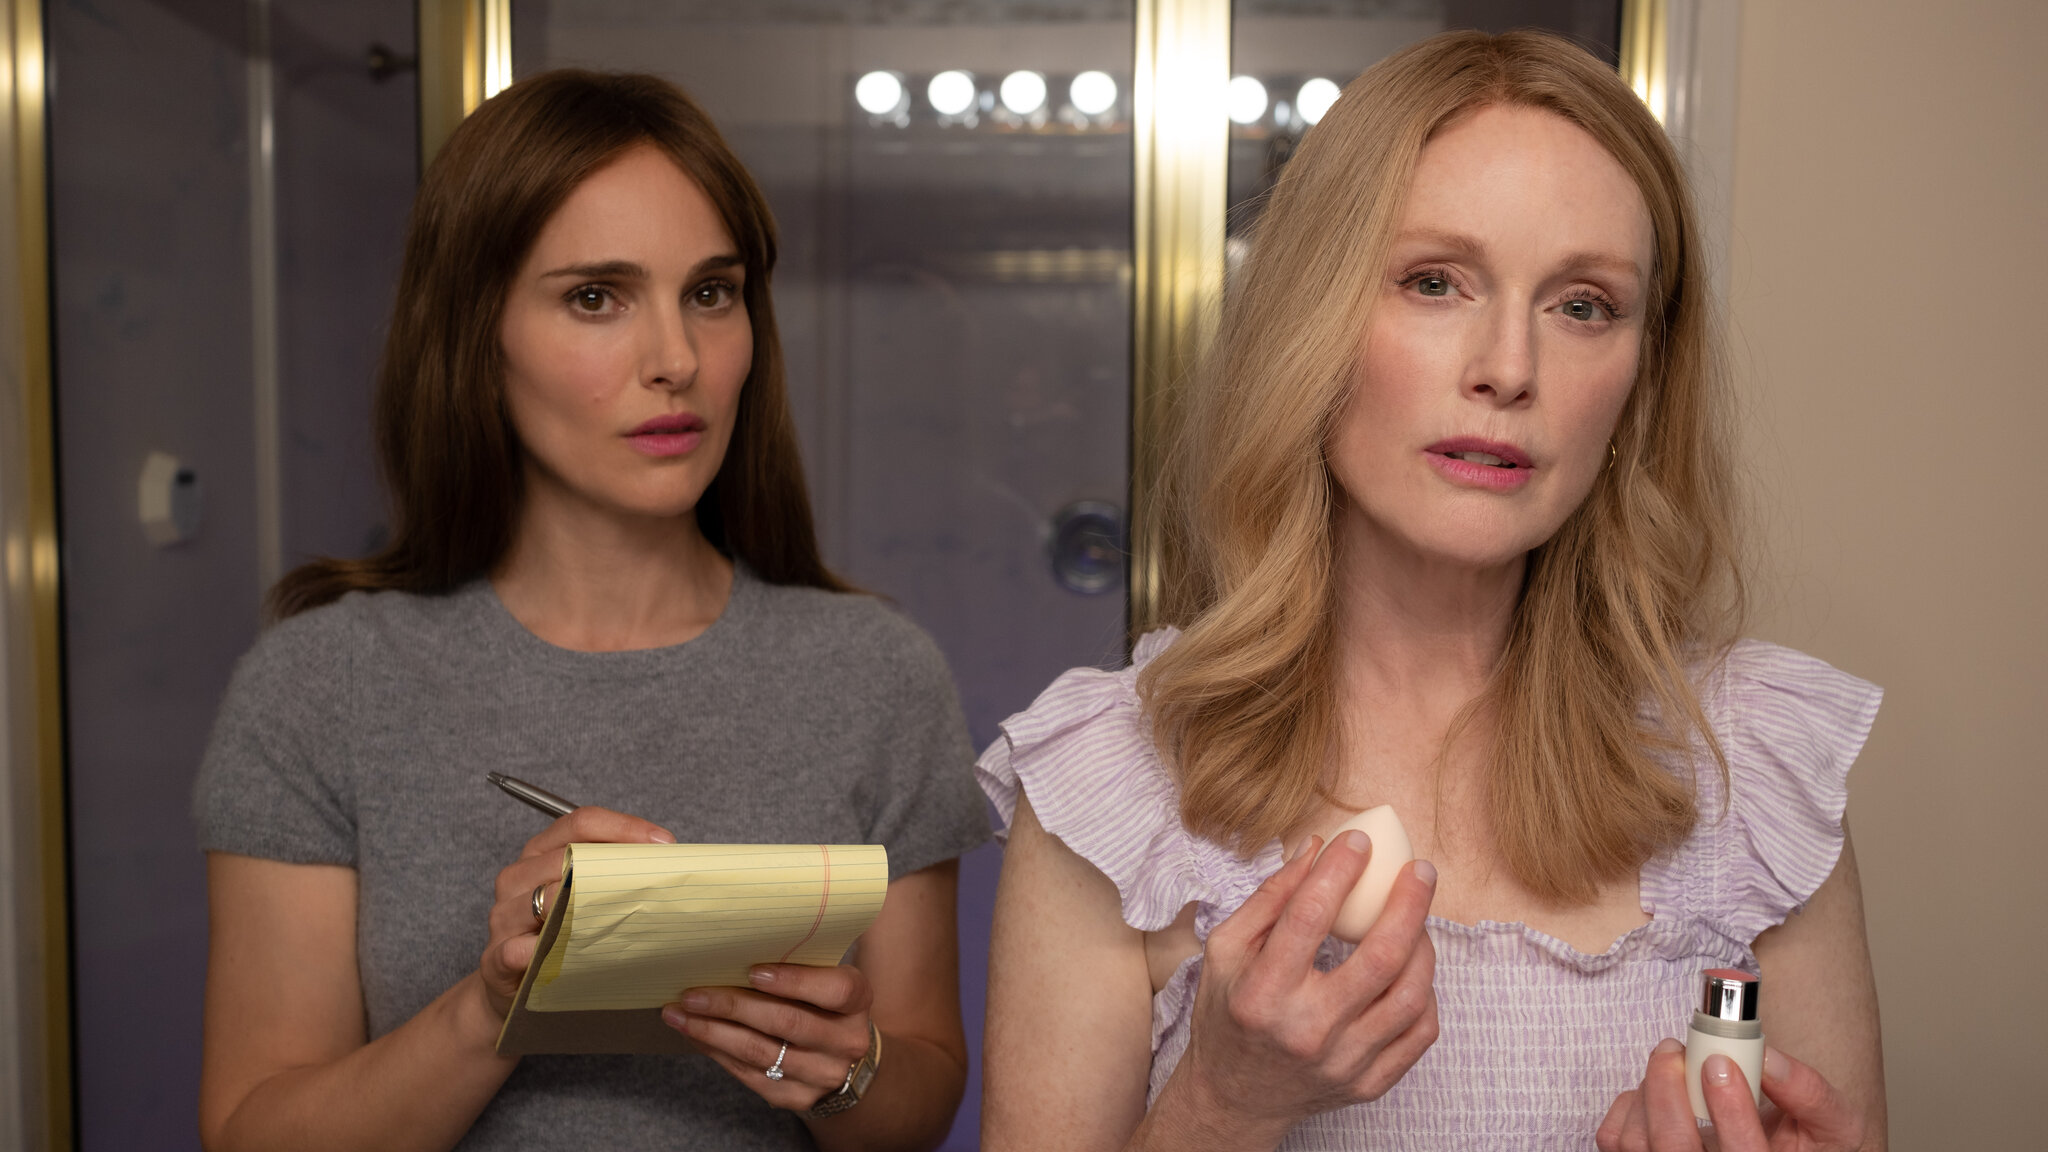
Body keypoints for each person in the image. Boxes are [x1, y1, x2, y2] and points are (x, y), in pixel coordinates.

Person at [978, 30, 1884, 1151]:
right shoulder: (1116, 779)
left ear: (1640, 380)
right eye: (1433, 282)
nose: (1508, 368)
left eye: (1583, 305)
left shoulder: (1750, 765)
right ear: (1309, 323)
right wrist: (1225, 1105)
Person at [193, 70, 989, 1152]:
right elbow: (254, 1132)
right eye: (595, 298)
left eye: (710, 293)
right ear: (475, 335)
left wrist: (841, 1074)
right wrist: (494, 1006)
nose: (677, 361)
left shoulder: (878, 673)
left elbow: (921, 1099)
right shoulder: (320, 684)